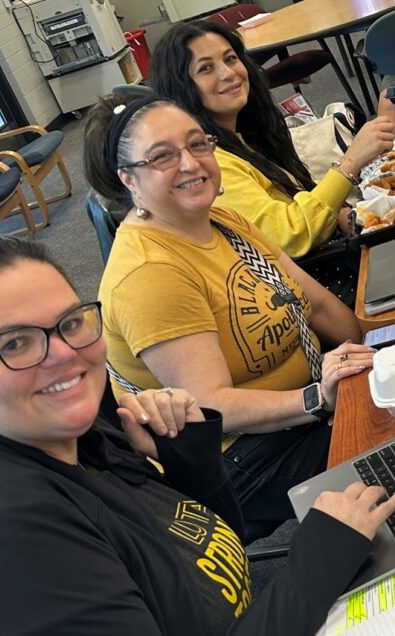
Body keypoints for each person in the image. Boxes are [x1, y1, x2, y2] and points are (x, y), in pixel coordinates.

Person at [0, 236, 395, 636]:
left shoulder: (81, 433)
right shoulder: (7, 533)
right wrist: (316, 562)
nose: (63, 354)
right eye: (14, 343)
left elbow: (214, 548)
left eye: (70, 322)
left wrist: (188, 458)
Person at [84, 92, 374, 541]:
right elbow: (211, 403)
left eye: (198, 144)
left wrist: (374, 352)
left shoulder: (221, 218)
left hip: (303, 402)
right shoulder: (149, 273)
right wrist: (318, 399)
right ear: (129, 180)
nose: (191, 163)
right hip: (238, 454)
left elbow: (315, 304)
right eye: (162, 156)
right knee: (394, 446)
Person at [150, 21, 395, 259]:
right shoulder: (210, 163)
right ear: (181, 87)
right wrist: (350, 162)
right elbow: (289, 237)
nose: (228, 73)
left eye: (230, 58)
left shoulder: (247, 133)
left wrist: (354, 218)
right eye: (205, 68)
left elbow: (298, 196)